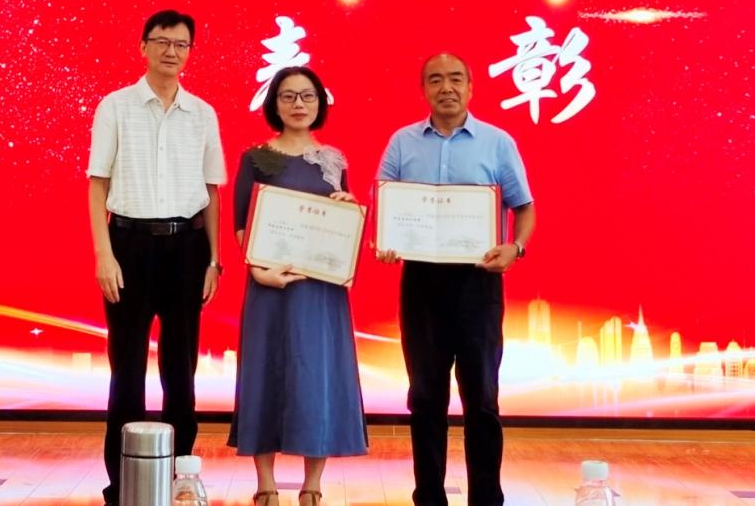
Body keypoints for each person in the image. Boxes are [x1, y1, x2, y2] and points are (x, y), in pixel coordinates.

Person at [376, 53, 535, 506]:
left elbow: (524, 207)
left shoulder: (497, 142)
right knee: (425, 398)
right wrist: (386, 241)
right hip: (421, 284)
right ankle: (428, 497)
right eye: (435, 80)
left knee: (481, 398)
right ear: (423, 90)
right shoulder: (403, 142)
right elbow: (387, 205)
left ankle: (486, 499)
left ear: (470, 87)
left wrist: (516, 247)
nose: (446, 87)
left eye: (455, 79)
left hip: (477, 283)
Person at [87, 9, 226, 506]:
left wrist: (214, 260)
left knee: (180, 371)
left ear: (190, 52)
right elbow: (97, 183)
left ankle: (179, 478)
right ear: (143, 46)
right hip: (128, 244)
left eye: (181, 44)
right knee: (126, 369)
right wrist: (104, 255)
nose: (171, 51)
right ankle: (122, 484)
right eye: (162, 41)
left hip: (187, 248)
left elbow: (211, 191)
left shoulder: (203, 114)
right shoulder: (116, 107)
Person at [229, 66, 368, 506]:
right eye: (288, 96)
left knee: (316, 376)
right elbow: (240, 225)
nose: (298, 104)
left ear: (320, 103)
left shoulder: (334, 161)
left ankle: (313, 485)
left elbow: (345, 227)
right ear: (274, 103)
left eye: (307, 96)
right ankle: (265, 483)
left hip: (320, 290)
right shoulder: (257, 158)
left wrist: (348, 207)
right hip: (269, 285)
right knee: (265, 371)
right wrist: (258, 271)